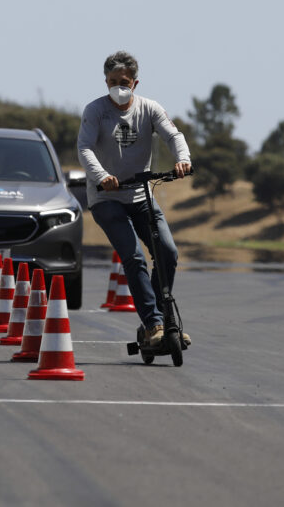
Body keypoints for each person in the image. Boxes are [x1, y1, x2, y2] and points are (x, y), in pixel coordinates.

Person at [78, 51, 193, 347]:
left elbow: (173, 135)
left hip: (141, 194)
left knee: (167, 252)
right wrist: (102, 176)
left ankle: (162, 318)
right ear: (105, 82)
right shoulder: (95, 111)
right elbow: (85, 148)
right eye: (113, 82)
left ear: (135, 82)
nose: (118, 87)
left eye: (124, 81)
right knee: (134, 257)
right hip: (106, 197)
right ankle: (154, 324)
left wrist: (182, 159)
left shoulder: (150, 108)